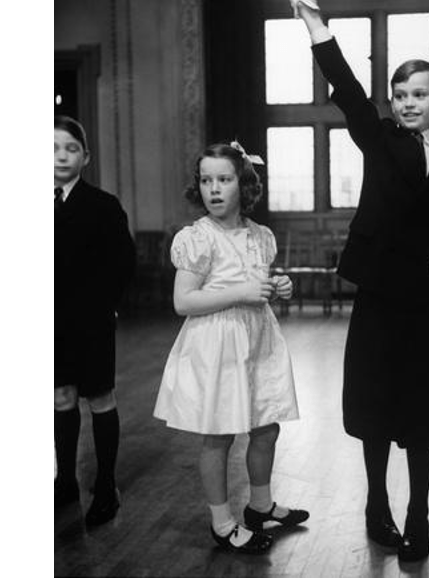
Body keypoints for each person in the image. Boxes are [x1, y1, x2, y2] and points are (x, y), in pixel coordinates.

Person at [285, 0, 429, 563]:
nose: (407, 103)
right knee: (376, 402)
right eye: (400, 94)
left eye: (419, 94)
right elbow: (347, 86)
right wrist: (311, 18)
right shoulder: (378, 138)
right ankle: (376, 502)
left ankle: (418, 513)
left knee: (425, 406)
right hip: (380, 290)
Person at [153, 141, 309, 554]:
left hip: (257, 340)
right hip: (217, 344)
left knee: (266, 426)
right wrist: (240, 292)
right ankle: (222, 523)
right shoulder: (197, 238)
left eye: (224, 179)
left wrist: (277, 286)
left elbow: (256, 284)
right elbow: (183, 301)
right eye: (206, 181)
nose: (214, 189)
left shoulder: (260, 236)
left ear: (244, 184)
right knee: (219, 436)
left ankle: (260, 506)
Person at [54, 115, 136, 526]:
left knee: (100, 398)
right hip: (50, 323)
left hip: (92, 321)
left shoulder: (104, 205)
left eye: (71, 148)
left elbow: (123, 262)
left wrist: (105, 305)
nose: (61, 156)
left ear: (85, 157)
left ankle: (106, 485)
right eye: (52, 149)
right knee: (61, 398)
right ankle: (65, 481)